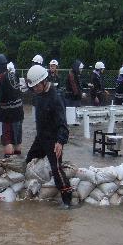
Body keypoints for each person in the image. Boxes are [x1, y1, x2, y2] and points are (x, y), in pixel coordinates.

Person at [25, 64, 73, 209]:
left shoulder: (55, 97)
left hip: (53, 140)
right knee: (29, 161)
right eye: (33, 87)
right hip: (40, 138)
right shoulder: (38, 95)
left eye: (36, 86)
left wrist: (60, 141)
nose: (35, 89)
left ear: (44, 81)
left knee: (56, 169)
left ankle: (67, 200)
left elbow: (63, 124)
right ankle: (30, 189)